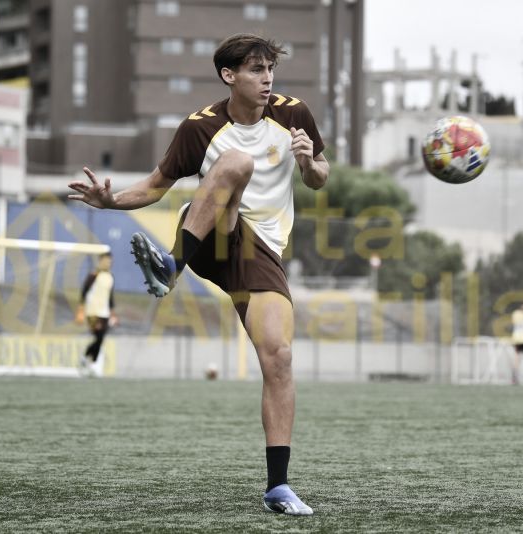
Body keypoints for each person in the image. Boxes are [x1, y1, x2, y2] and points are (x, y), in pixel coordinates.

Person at [67, 34, 328, 515]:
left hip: (260, 252)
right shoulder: (200, 127)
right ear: (229, 76)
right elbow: (155, 185)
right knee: (237, 162)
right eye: (255, 69)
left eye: (270, 68)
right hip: (210, 232)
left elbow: (319, 177)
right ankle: (170, 266)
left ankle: (278, 486)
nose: (267, 77)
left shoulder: (295, 113)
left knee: (280, 358)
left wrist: (310, 161)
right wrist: (111, 202)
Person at [76, 251, 118, 377]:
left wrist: (112, 313)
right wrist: (81, 310)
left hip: (104, 313)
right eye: (106, 260)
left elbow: (110, 297)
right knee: (99, 336)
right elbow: (83, 293)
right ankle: (92, 363)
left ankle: (86, 360)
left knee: (100, 338)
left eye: (110, 261)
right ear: (100, 261)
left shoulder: (110, 277)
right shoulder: (93, 275)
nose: (108, 263)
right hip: (92, 312)